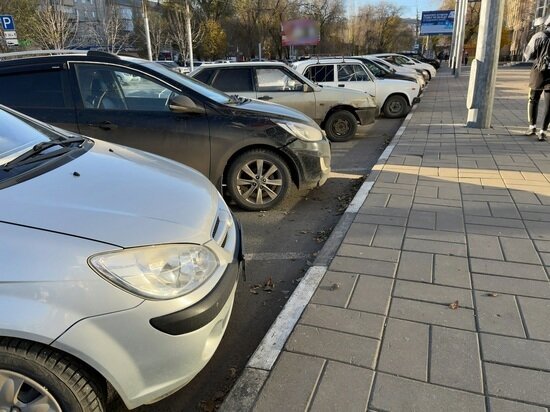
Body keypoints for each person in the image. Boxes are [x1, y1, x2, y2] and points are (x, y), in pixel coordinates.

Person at [524, 15, 550, 141]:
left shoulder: (539, 36)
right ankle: (543, 131)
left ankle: (532, 127)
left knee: (533, 99)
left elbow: (527, 55)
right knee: (549, 104)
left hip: (538, 72)